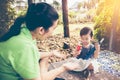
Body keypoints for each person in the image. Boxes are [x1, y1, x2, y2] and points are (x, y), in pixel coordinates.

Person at [0, 2, 79, 80]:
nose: (53, 32)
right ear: (41, 30)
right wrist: (63, 68)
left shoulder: (24, 31)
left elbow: (31, 55)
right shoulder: (25, 46)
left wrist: (50, 53)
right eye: (53, 28)